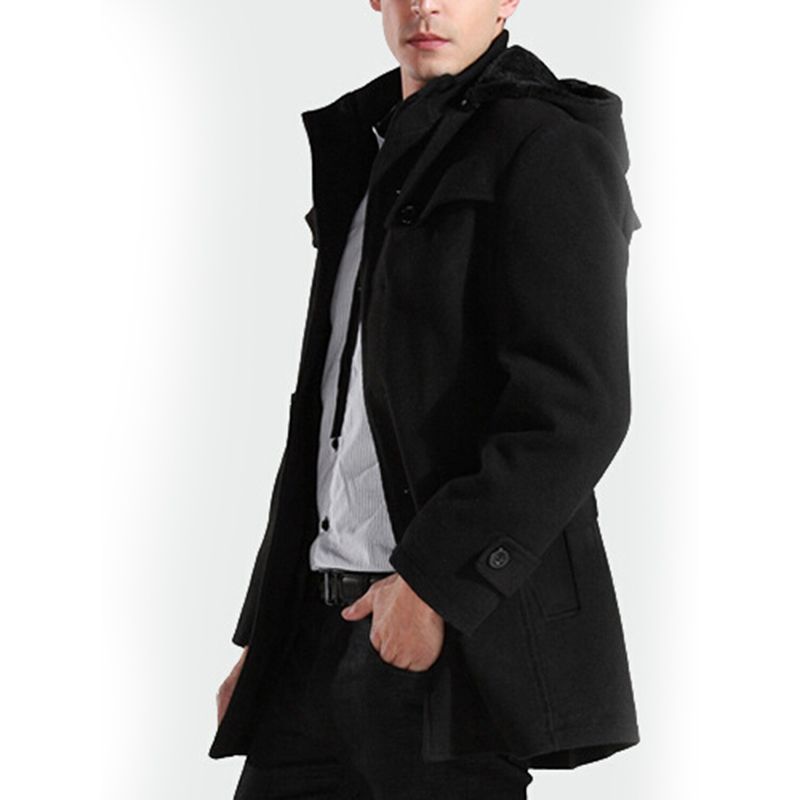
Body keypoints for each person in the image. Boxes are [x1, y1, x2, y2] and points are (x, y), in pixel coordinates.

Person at [210, 1, 642, 797]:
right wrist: (263, 638)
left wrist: (433, 586)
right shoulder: (369, 149)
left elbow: (576, 410)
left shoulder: (547, 142)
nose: (428, 5)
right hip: (309, 637)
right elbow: (331, 413)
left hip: (444, 639)